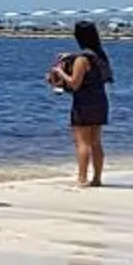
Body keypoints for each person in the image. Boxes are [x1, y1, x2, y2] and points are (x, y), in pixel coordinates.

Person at [46, 21, 112, 187]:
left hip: (83, 103)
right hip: (100, 100)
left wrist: (59, 72)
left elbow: (74, 83)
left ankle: (82, 178)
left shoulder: (82, 60)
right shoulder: (100, 56)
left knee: (82, 142)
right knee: (96, 141)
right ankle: (97, 178)